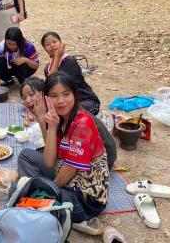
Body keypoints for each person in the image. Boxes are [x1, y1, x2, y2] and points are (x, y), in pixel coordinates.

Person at [16, 73, 109, 231]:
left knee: (24, 193)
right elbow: (50, 160)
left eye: (66, 94)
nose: (60, 101)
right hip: (66, 177)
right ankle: (43, 197)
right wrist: (47, 123)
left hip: (85, 199)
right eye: (54, 95)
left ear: (75, 94)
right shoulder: (60, 116)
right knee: (26, 155)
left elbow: (69, 170)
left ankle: (68, 214)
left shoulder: (82, 124)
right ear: (47, 98)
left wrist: (46, 188)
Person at [20, 76, 117, 170]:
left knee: (26, 156)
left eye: (31, 94)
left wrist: (42, 120)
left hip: (98, 164)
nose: (27, 100)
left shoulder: (72, 118)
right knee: (41, 152)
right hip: (81, 160)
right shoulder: (59, 112)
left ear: (44, 95)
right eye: (24, 97)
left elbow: (56, 161)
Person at [41, 32, 100, 115]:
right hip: (65, 102)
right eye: (47, 44)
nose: (52, 45)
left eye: (54, 42)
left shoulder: (70, 61)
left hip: (86, 101)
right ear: (45, 49)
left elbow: (52, 82)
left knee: (69, 114)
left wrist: (57, 56)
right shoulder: (48, 68)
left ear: (61, 44)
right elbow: (49, 89)